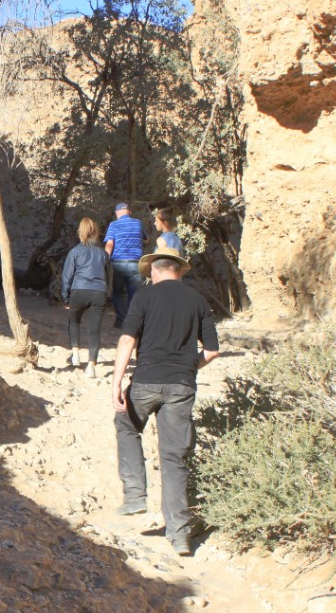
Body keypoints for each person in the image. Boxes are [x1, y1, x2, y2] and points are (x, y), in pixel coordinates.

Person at [111, 246, 219, 557]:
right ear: (179, 270)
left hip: (145, 381)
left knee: (126, 424)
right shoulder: (197, 300)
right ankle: (180, 536)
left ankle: (134, 496)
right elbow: (212, 351)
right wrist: (187, 367)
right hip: (181, 386)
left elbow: (128, 338)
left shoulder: (144, 297)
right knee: (174, 460)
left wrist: (117, 381)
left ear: (154, 271)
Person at [61, 217, 111, 379]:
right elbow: (110, 277)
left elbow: (67, 276)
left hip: (79, 290)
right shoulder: (103, 253)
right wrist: (107, 295)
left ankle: (75, 354)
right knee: (94, 329)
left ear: (80, 232)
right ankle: (91, 366)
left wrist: (65, 296)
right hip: (99, 292)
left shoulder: (75, 251)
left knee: (74, 321)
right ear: (95, 232)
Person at [104, 202, 147, 328]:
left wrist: (106, 260)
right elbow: (147, 239)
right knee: (134, 294)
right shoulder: (138, 223)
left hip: (118, 264)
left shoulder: (114, 224)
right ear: (129, 212)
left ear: (117, 214)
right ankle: (134, 322)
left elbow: (110, 244)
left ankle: (121, 320)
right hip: (135, 263)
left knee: (118, 292)